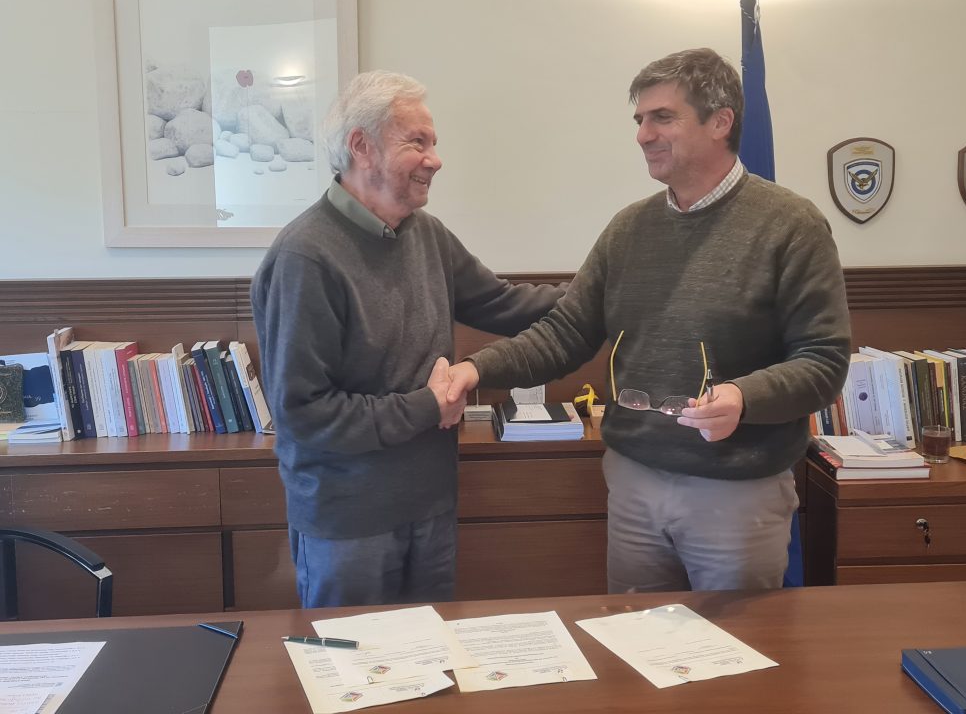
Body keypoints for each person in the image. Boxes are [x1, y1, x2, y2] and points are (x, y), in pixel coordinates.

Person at [447, 48, 851, 593]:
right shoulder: (629, 229)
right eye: (640, 119)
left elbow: (823, 361)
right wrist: (476, 369)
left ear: (720, 121)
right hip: (634, 481)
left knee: (739, 646)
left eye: (662, 117)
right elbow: (566, 332)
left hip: (735, 494)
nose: (643, 135)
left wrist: (743, 396)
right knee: (634, 639)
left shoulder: (790, 225)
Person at [251, 71, 563, 608]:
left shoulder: (426, 234)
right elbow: (305, 414)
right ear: (361, 147)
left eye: (433, 143)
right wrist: (427, 406)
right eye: (417, 142)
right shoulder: (305, 257)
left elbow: (506, 305)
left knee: (432, 653)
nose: (435, 160)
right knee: (357, 660)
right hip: (349, 526)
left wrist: (606, 289)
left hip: (431, 508)